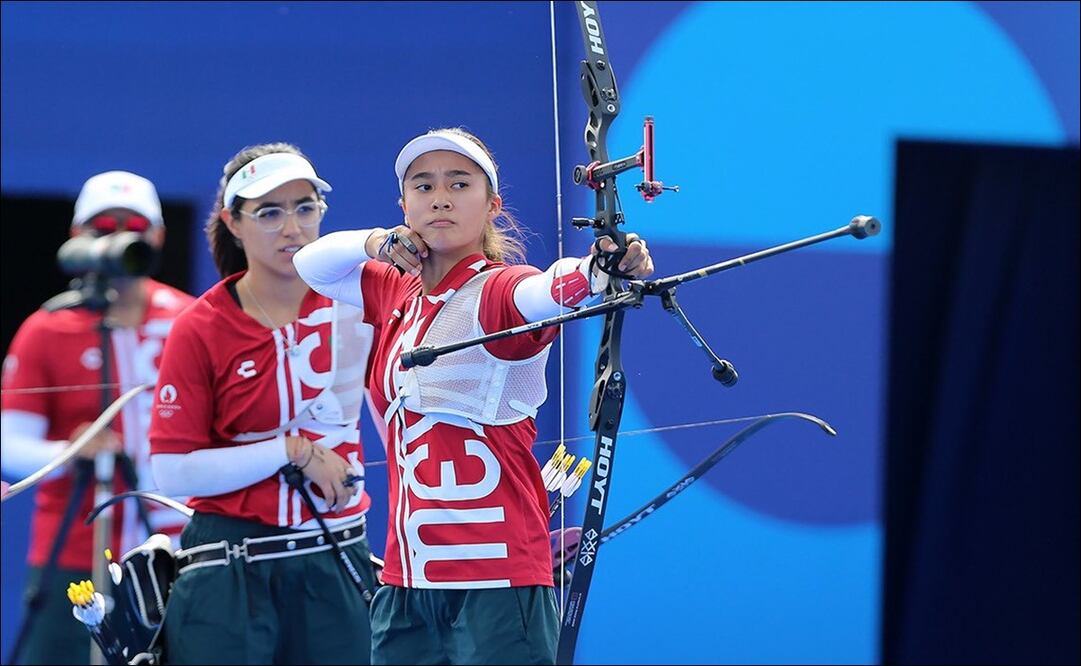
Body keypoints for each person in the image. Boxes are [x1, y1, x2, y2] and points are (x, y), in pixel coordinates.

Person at [294, 127, 655, 665]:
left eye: (460, 184)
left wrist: (599, 269)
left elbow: (549, 291)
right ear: (403, 205)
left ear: (492, 205)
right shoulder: (396, 288)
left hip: (497, 583)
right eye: (423, 185)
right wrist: (376, 242)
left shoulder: (500, 288)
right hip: (407, 583)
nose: (440, 196)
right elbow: (312, 264)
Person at [147, 143, 380, 665]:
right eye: (269, 212)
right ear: (233, 222)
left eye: (304, 207)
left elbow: (399, 423)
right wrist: (291, 450)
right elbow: (173, 473)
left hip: (338, 561)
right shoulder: (199, 326)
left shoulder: (363, 301)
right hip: (230, 573)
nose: (291, 228)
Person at [1, 170, 194, 665]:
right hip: (75, 554)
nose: (118, 239)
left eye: (133, 226)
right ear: (76, 238)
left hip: (179, 548)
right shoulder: (47, 328)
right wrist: (72, 449)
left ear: (158, 236)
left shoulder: (192, 320)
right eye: (104, 226)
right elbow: (9, 446)